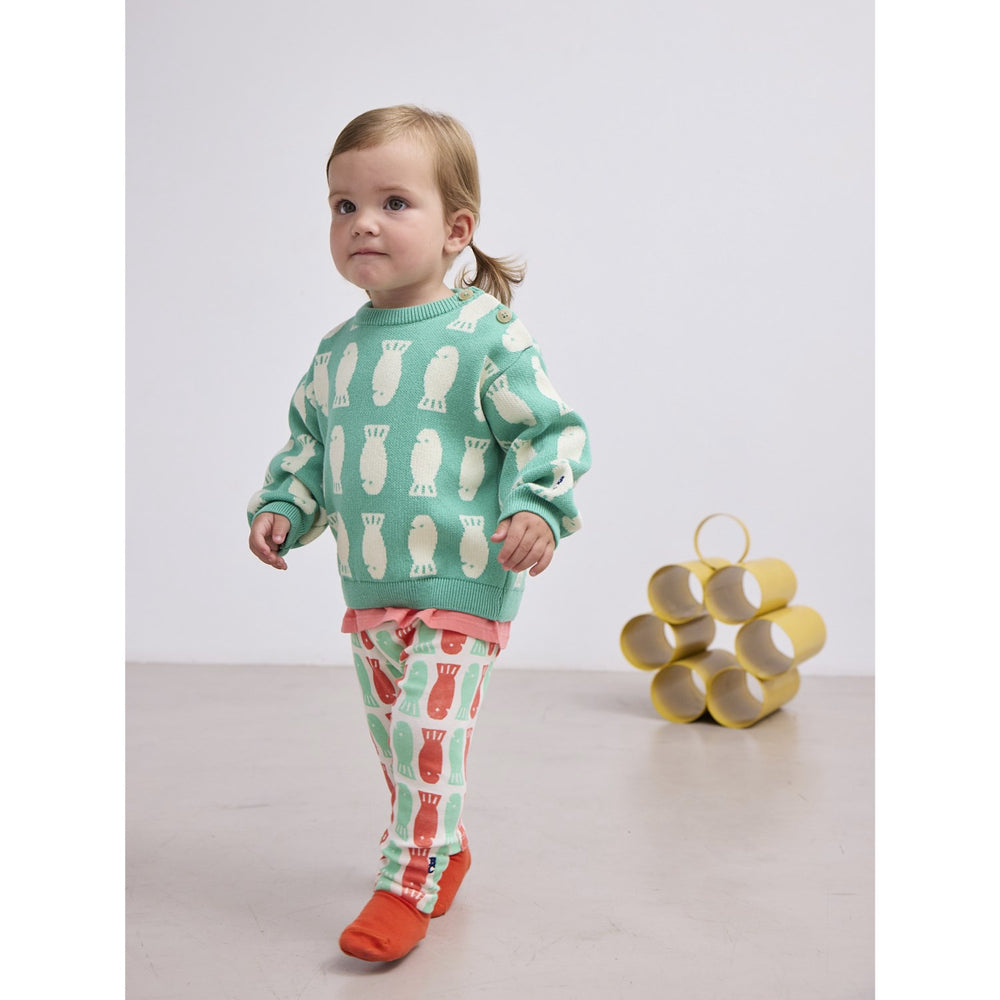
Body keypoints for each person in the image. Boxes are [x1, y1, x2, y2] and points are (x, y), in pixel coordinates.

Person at [247, 105, 591, 963]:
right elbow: (312, 449)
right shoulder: (335, 352)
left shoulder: (486, 336)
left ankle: (409, 879)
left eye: (393, 202)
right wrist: (285, 506)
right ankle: (445, 843)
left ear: (455, 231)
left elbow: (548, 434)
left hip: (466, 576)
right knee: (393, 738)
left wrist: (538, 509)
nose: (363, 222)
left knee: (422, 733)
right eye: (344, 205)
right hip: (370, 584)